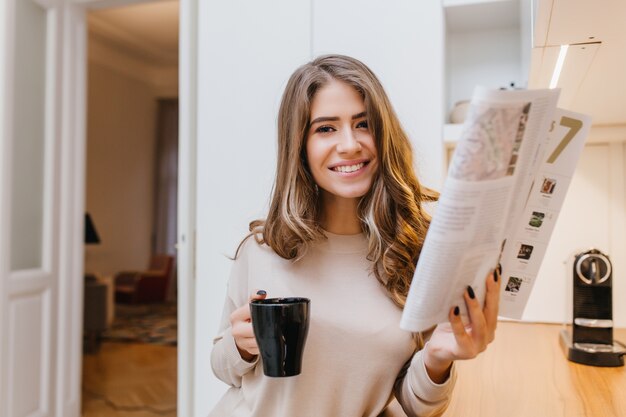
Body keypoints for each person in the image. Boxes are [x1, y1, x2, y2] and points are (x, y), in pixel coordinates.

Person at [209, 54, 501, 417]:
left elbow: (417, 404)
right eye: (326, 128)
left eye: (363, 124)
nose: (349, 144)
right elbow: (224, 369)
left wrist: (437, 358)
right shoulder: (263, 249)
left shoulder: (415, 254)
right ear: (299, 146)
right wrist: (240, 346)